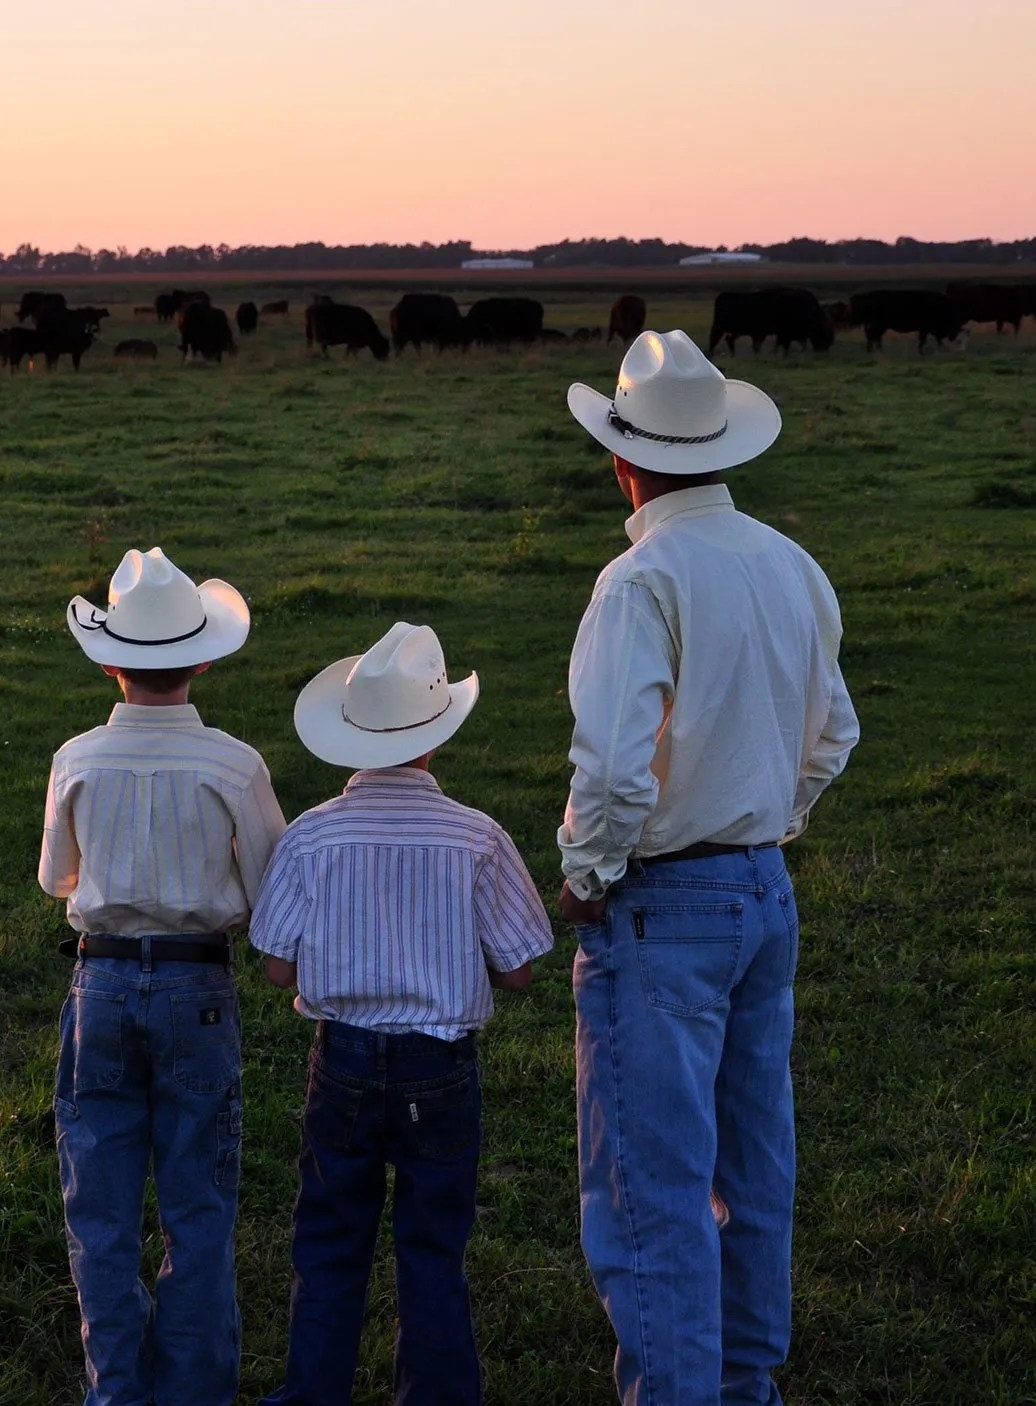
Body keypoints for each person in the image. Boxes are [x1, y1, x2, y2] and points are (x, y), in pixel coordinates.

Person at [555, 330, 861, 1404]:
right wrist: (773, 816)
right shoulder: (790, 562)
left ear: (623, 459)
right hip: (762, 891)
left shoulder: (639, 581)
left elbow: (613, 764)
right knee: (754, 1167)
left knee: (652, 1183)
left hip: (663, 904)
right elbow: (837, 731)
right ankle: (746, 1386)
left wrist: (589, 871)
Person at [249, 621, 554, 1405]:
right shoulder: (477, 838)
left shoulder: (311, 837)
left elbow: (278, 963)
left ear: (351, 735)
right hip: (440, 1067)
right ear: (435, 736)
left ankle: (313, 1394)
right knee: (431, 1249)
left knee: (328, 1242)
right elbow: (519, 968)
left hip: (342, 1059)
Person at [39, 547, 288, 1406]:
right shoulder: (234, 764)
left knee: (99, 1212)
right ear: (205, 655)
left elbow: (55, 879)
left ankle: (117, 1391)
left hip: (101, 982)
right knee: (199, 1204)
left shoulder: (76, 759)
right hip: (197, 987)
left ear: (110, 660)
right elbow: (270, 886)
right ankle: (194, 1391)